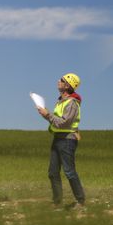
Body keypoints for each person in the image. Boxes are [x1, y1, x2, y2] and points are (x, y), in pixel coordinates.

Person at [37, 73, 86, 209]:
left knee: (69, 171)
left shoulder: (72, 103)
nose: (59, 81)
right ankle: (57, 202)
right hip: (58, 139)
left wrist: (48, 115)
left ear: (68, 86)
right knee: (53, 172)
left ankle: (81, 201)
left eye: (62, 80)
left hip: (67, 140)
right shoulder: (61, 101)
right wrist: (46, 114)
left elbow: (64, 123)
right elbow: (56, 121)